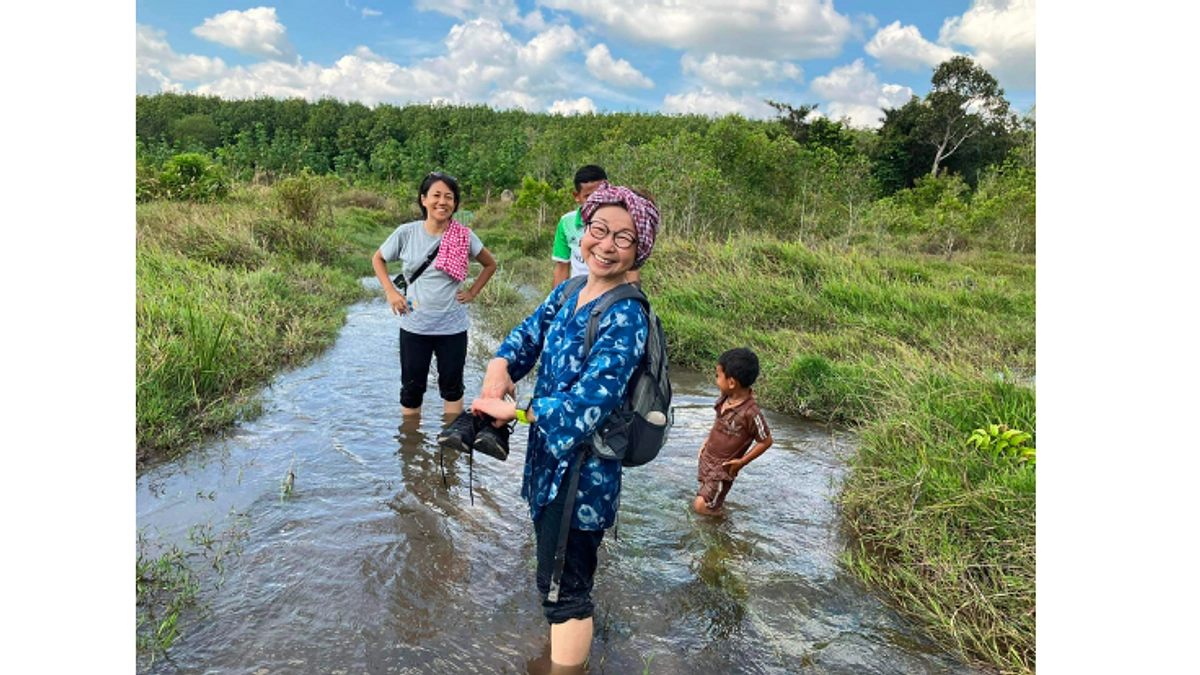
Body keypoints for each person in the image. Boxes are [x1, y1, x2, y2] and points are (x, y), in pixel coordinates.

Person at [466, 183, 660, 668]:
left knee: (566, 593)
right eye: (599, 229)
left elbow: (586, 407)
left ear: (640, 250)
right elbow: (529, 332)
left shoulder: (627, 315)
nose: (607, 244)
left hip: (583, 478)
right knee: (551, 575)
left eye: (624, 238)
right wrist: (501, 363)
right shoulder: (571, 289)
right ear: (584, 229)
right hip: (546, 466)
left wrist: (522, 413)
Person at [371, 171, 497, 417]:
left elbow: (490, 264)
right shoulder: (406, 233)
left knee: (452, 389)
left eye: (449, 197)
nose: (443, 202)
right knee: (411, 390)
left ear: (455, 203)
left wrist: (472, 292)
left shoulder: (464, 236)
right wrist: (390, 291)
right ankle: (410, 447)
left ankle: (449, 447)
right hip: (414, 326)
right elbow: (378, 258)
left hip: (453, 328)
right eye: (436, 195)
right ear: (423, 200)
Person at [694, 347, 774, 517]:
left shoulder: (751, 413)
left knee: (701, 506)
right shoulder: (725, 399)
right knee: (707, 496)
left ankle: (724, 521)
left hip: (723, 469)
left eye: (718, 376)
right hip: (708, 459)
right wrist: (707, 441)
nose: (716, 381)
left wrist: (742, 462)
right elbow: (718, 424)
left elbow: (766, 441)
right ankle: (715, 514)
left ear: (731, 382)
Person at [552, 165, 641, 288]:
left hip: (614, 292)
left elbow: (629, 266)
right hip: (577, 291)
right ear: (576, 196)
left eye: (600, 195)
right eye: (588, 197)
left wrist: (635, 292)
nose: (596, 201)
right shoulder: (566, 223)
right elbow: (562, 267)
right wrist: (556, 303)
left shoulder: (622, 221)